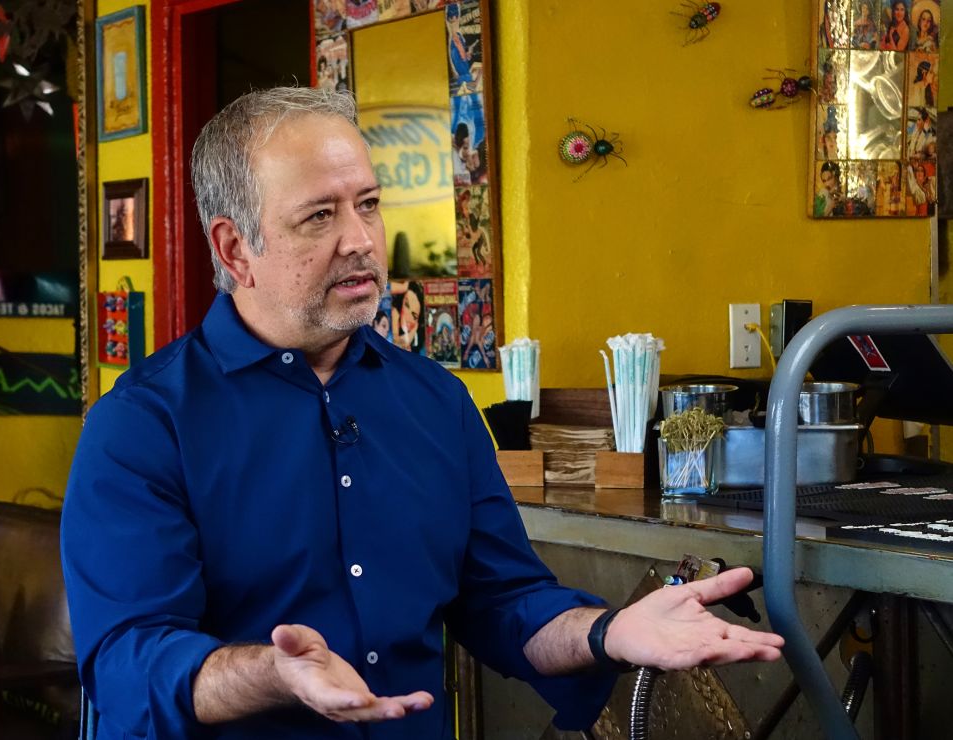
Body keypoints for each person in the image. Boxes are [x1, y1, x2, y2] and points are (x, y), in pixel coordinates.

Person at [61, 87, 783, 740]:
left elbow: (505, 602)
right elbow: (128, 660)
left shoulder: (434, 400)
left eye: (368, 204)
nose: (361, 241)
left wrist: (608, 632)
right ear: (234, 248)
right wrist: (276, 675)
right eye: (320, 215)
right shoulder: (141, 425)